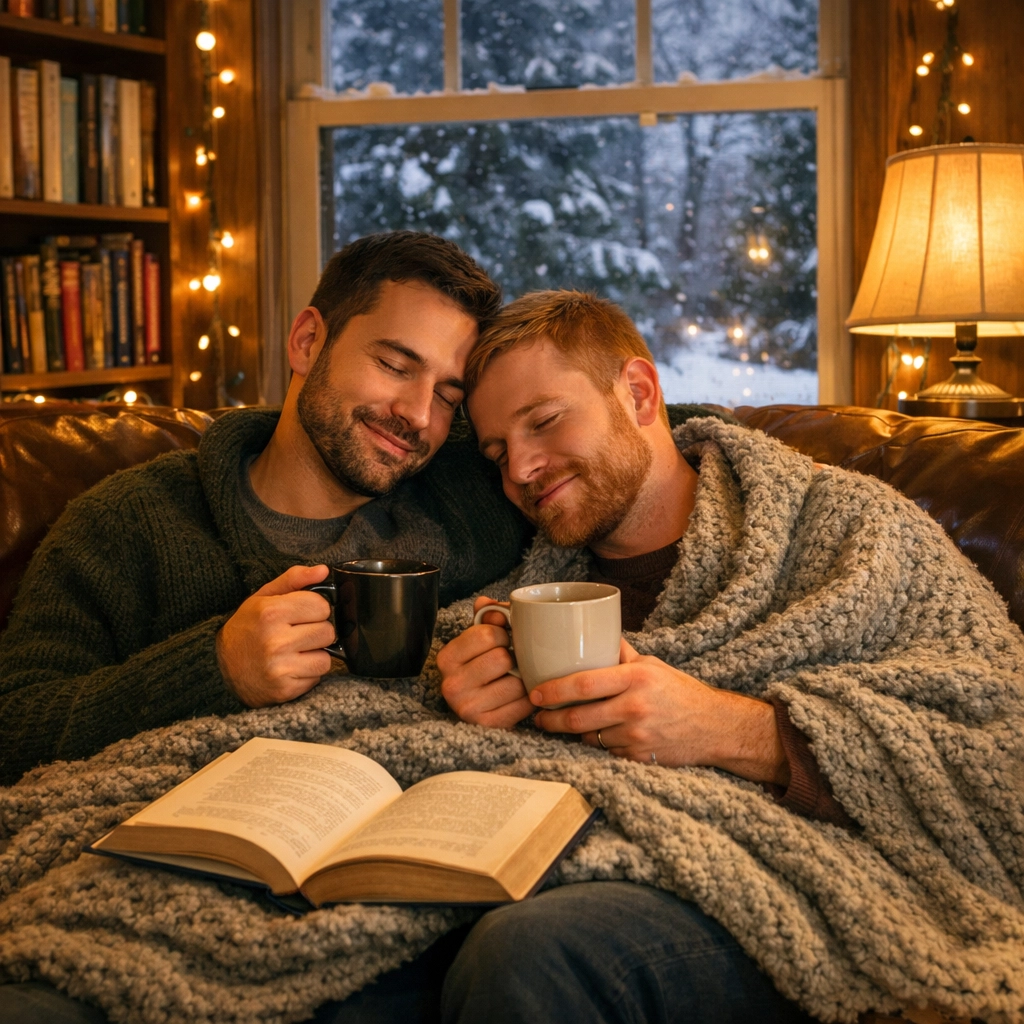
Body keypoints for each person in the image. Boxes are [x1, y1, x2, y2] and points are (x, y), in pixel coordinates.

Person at [427, 289, 1024, 1022]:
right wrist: (460, 689)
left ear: (639, 393)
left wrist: (735, 730)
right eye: (496, 452)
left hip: (802, 886)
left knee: (528, 954)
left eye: (544, 422)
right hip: (591, 857)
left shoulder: (849, 531)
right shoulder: (530, 587)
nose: (519, 469)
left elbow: (1003, 746)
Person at [0, 231, 530, 787]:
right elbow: (15, 728)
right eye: (395, 365)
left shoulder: (474, 494)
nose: (419, 415)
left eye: (447, 395)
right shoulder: (127, 524)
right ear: (306, 342)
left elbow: (603, 484)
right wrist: (217, 668)